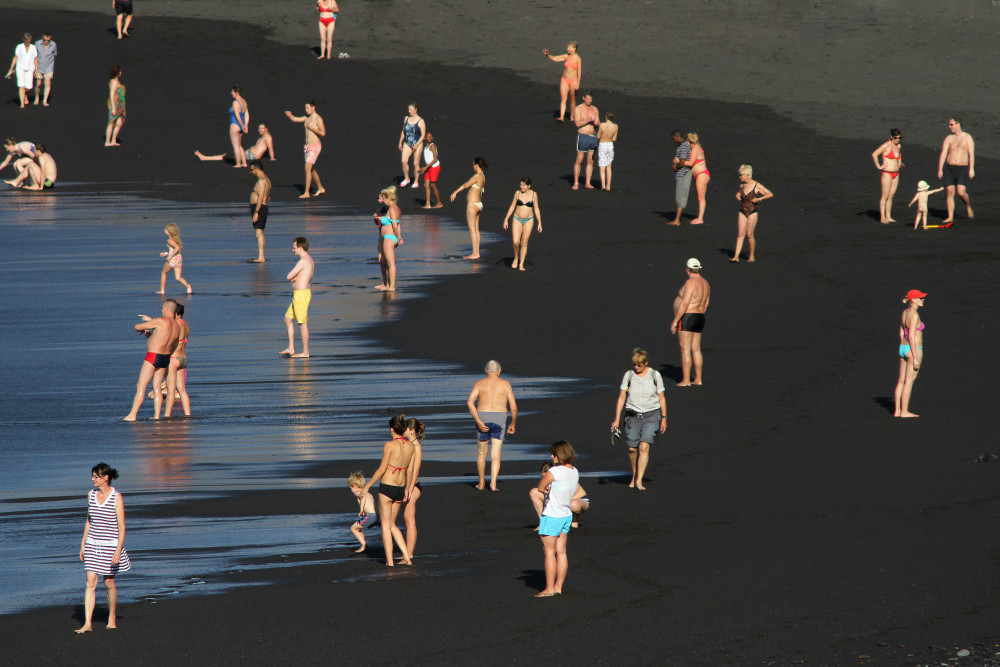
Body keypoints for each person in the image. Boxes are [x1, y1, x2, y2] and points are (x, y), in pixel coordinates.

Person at [75, 463, 132, 634]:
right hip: (93, 544)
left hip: (110, 546)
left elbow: (122, 527)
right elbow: (89, 520)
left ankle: (112, 617)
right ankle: (87, 623)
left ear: (105, 478)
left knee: (109, 582)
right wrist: (83, 543)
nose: (93, 479)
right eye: (92, 476)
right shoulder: (91, 495)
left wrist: (118, 550)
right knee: (90, 582)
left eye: (96, 476)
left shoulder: (116, 497)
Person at [361, 415, 416, 566]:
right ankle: (407, 557)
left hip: (387, 487)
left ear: (392, 429)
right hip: (400, 487)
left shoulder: (389, 445)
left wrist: (367, 486)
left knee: (386, 526)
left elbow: (381, 470)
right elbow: (410, 471)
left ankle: (390, 562)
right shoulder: (411, 446)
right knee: (392, 524)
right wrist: (408, 489)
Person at [610, 348, 666, 490]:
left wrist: (664, 417)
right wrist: (616, 419)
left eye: (639, 365)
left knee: (644, 446)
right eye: (634, 364)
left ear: (646, 363)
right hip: (632, 416)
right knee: (632, 449)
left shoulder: (655, 375)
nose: (636, 367)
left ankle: (639, 480)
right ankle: (635, 475)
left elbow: (661, 398)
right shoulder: (629, 376)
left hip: (652, 415)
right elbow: (622, 397)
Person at [533, 441, 579, 597]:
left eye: (554, 454)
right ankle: (558, 586)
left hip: (553, 514)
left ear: (560, 454)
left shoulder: (555, 471)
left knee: (549, 552)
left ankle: (549, 588)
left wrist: (548, 491)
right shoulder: (574, 471)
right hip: (566, 514)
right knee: (562, 552)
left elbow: (541, 487)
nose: (551, 456)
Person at [123, 300, 180, 421]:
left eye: (162, 309)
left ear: (166, 309)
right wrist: (151, 332)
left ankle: (132, 415)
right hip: (165, 358)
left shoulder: (160, 321)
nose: (161, 311)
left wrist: (145, 326)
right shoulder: (176, 326)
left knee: (141, 385)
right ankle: (157, 415)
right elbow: (167, 340)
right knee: (157, 387)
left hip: (153, 356)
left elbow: (137, 326)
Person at [466, 360, 518, 491]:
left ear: (486, 371)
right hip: (499, 418)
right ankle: (493, 484)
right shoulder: (505, 384)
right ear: (499, 371)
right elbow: (514, 407)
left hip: (483, 417)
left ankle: (482, 483)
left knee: (481, 453)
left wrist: (478, 420)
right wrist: (513, 423)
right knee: (496, 454)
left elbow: (469, 402)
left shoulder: (479, 383)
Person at [670, 258, 711, 386]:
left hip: (688, 317)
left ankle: (686, 380)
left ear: (687, 269)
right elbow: (706, 303)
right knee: (696, 349)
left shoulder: (690, 282)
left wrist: (675, 321)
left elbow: (685, 302)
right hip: (700, 317)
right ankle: (698, 379)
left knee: (685, 349)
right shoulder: (706, 283)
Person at [730, 164, 774, 263]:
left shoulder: (756, 185)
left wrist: (759, 199)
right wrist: (737, 195)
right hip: (742, 210)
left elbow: (770, 194)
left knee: (749, 234)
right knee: (740, 234)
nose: (740, 177)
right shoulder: (742, 185)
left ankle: (751, 256)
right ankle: (736, 256)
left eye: (741, 175)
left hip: (752, 211)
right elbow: (739, 192)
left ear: (747, 175)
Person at [279, 237, 314, 358]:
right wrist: (296, 278)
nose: (293, 250)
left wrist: (294, 278)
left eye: (294, 248)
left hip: (301, 295)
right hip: (299, 295)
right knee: (287, 319)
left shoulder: (303, 261)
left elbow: (289, 276)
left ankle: (305, 352)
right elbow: (301, 276)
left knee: (302, 323)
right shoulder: (309, 260)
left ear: (300, 248)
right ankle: (291, 348)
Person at [894, 290, 926, 418]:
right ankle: (904, 411)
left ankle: (897, 410)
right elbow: (912, 336)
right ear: (913, 300)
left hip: (903, 347)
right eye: (920, 298)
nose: (922, 300)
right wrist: (916, 357)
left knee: (901, 381)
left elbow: (902, 331)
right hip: (913, 349)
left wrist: (902, 345)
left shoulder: (905, 312)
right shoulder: (914, 315)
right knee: (909, 381)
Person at [530, 461, 589, 528]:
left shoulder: (563, 478)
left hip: (579, 499)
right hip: (561, 500)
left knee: (574, 505)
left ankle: (574, 520)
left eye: (546, 477)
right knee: (534, 492)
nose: (545, 479)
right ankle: (543, 522)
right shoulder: (547, 481)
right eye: (542, 477)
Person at [937, 117, 975, 223]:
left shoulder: (967, 137)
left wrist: (971, 169)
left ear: (958, 124)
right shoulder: (949, 138)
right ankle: (950, 216)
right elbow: (943, 153)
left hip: (962, 167)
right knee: (949, 192)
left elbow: (971, 154)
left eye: (951, 125)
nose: (949, 127)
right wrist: (940, 169)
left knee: (961, 192)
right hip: (950, 168)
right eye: (949, 125)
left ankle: (968, 205)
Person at [285, 101, 326, 198]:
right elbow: (295, 119)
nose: (306, 110)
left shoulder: (318, 118)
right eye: (305, 108)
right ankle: (320, 188)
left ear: (313, 107)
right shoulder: (306, 118)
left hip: (315, 146)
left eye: (308, 108)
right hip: (307, 147)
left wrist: (312, 128)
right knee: (311, 169)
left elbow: (323, 133)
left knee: (307, 167)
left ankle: (306, 192)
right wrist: (289, 115)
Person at [450, 157, 488, 260]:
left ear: (477, 165)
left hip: (473, 205)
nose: (473, 167)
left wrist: (455, 192)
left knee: (472, 230)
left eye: (473, 165)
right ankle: (477, 252)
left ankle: (475, 253)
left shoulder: (477, 176)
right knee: (476, 229)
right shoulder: (483, 176)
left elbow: (466, 185)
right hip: (479, 204)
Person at [502, 177, 542, 271]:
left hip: (529, 220)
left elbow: (536, 209)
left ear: (529, 186)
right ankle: (516, 258)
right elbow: (512, 206)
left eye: (524, 185)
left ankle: (521, 264)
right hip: (517, 219)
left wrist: (539, 223)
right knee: (516, 242)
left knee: (524, 243)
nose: (522, 187)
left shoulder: (533, 194)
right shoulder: (517, 193)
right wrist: (506, 219)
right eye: (521, 184)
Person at [196, 121, 275, 164]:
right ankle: (205, 157)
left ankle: (205, 158)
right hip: (248, 153)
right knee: (228, 155)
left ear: (266, 129)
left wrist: (272, 158)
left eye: (262, 128)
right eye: (259, 128)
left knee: (227, 155)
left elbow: (270, 148)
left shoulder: (268, 137)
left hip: (251, 156)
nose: (260, 130)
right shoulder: (263, 137)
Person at [673, 132, 709, 224]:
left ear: (689, 140)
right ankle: (699, 217)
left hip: (702, 174)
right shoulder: (697, 146)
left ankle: (700, 219)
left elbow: (690, 163)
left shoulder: (695, 149)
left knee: (701, 198)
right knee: (700, 197)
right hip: (700, 174)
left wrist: (679, 161)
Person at [402, 417, 424, 557]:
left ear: (412, 431)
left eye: (405, 428)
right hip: (406, 485)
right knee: (407, 521)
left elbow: (415, 470)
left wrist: (409, 489)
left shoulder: (416, 446)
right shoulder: (408, 444)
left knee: (410, 522)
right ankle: (407, 552)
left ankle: (409, 554)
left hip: (413, 487)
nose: (403, 431)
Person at [871, 129, 904, 224]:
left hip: (896, 173)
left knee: (891, 195)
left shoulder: (898, 146)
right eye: (895, 138)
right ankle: (882, 217)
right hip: (887, 173)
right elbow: (874, 154)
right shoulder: (886, 145)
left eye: (899, 138)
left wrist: (900, 163)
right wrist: (879, 166)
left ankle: (888, 216)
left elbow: (899, 156)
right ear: (891, 137)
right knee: (885, 195)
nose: (897, 140)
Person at [374, 186, 403, 292]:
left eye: (382, 198)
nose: (382, 200)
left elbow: (396, 225)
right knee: (382, 261)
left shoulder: (394, 208)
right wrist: (379, 219)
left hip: (389, 237)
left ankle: (392, 287)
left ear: (387, 197)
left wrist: (399, 237)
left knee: (390, 262)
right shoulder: (388, 208)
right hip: (382, 237)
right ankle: (385, 284)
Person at [163, 303, 190, 418]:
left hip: (174, 359)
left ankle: (167, 415)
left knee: (171, 389)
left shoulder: (176, 325)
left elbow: (167, 341)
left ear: (178, 315)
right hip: (183, 359)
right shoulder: (186, 325)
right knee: (182, 390)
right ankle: (188, 414)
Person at [543, 42, 581, 122]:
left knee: (573, 99)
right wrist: (547, 54)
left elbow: (579, 72)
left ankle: (572, 116)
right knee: (563, 98)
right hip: (564, 80)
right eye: (567, 48)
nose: (567, 49)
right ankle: (562, 117)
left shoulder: (578, 59)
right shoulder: (566, 56)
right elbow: (554, 58)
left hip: (573, 80)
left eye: (569, 48)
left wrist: (578, 83)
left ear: (574, 49)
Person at [572, 90, 599, 190]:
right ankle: (576, 182)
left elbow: (598, 124)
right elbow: (577, 124)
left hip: (593, 136)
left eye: (591, 99)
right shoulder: (578, 108)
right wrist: (589, 120)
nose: (589, 101)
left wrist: (596, 123)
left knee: (590, 161)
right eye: (587, 99)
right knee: (580, 159)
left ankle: (588, 182)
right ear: (583, 98)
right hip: (583, 136)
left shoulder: (595, 109)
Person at [156, 223, 193, 295]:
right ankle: (187, 286)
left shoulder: (170, 240)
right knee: (178, 277)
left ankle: (162, 290)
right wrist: (166, 253)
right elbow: (174, 249)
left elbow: (177, 248)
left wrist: (170, 256)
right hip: (178, 259)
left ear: (169, 231)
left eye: (166, 229)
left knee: (164, 272)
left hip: (173, 260)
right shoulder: (175, 239)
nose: (164, 230)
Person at [347, 472, 377, 553]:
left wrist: (361, 509)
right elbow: (372, 501)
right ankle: (364, 544)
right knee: (357, 528)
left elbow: (363, 497)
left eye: (351, 487)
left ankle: (364, 545)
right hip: (375, 515)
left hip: (370, 516)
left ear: (355, 486)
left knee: (353, 528)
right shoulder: (368, 493)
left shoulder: (360, 492)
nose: (351, 489)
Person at [398, 103, 426, 188]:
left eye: (411, 109)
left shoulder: (421, 121)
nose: (409, 111)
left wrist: (416, 145)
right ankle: (407, 178)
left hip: (417, 143)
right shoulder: (406, 118)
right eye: (408, 109)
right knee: (404, 161)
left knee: (416, 163)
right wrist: (400, 142)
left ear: (416, 110)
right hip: (407, 142)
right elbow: (404, 131)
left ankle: (416, 181)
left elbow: (423, 135)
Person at [5, 33, 37, 109]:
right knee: (21, 86)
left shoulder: (33, 48)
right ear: (23, 40)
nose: (27, 43)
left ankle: (25, 95)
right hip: (20, 68)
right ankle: (22, 103)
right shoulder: (19, 47)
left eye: (29, 41)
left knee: (29, 87)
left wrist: (37, 70)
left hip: (30, 68)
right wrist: (11, 69)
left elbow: (35, 59)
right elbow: (15, 58)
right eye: (26, 41)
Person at [248, 161, 271, 263]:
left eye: (252, 170)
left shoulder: (262, 181)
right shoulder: (267, 180)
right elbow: (268, 196)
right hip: (261, 207)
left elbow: (261, 196)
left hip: (259, 207)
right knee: (258, 232)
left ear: (257, 169)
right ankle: (261, 256)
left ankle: (261, 257)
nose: (251, 172)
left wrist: (256, 212)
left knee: (259, 232)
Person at [668, 131, 691, 226]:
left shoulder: (684, 146)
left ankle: (677, 220)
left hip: (683, 174)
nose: (673, 141)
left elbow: (682, 162)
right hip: (681, 174)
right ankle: (677, 219)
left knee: (681, 197)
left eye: (673, 139)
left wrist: (675, 167)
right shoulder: (682, 146)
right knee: (679, 196)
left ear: (677, 137)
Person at [225, 87, 250, 168]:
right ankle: (244, 163)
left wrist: (243, 125)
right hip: (241, 125)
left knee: (235, 145)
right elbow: (246, 115)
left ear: (237, 93)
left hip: (235, 124)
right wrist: (245, 125)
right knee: (239, 145)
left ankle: (238, 164)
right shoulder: (244, 102)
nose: (231, 93)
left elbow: (237, 115)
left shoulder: (235, 103)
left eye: (232, 92)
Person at [419, 131, 443, 208]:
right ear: (424, 138)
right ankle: (428, 204)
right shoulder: (425, 147)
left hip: (435, 167)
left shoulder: (433, 146)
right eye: (427, 136)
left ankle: (439, 203)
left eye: (430, 136)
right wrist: (424, 169)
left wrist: (425, 167)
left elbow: (435, 159)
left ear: (432, 138)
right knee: (426, 185)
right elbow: (429, 159)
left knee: (432, 185)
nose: (429, 138)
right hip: (429, 168)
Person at [596, 111, 618, 191]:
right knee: (609, 166)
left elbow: (598, 136)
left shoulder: (602, 125)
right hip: (610, 145)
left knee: (602, 166)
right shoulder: (615, 126)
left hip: (603, 144)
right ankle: (608, 186)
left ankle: (603, 185)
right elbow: (614, 139)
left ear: (606, 117)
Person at [33, 32, 56, 106]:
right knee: (38, 84)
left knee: (47, 83)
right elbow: (34, 55)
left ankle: (45, 100)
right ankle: (37, 97)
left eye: (48, 40)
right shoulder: (37, 43)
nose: (46, 42)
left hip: (49, 67)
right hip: (39, 67)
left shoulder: (53, 45)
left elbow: (54, 54)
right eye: (45, 40)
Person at [105, 65, 126, 147]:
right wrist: (113, 108)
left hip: (121, 105)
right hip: (115, 104)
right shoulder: (114, 82)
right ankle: (107, 142)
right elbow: (111, 94)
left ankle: (113, 140)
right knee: (111, 123)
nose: (121, 73)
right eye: (119, 71)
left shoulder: (116, 80)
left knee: (119, 123)